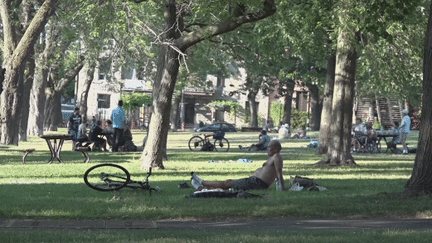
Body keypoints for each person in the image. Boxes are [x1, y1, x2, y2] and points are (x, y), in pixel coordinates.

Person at [191, 140, 286, 191]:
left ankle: (203, 183)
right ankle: (203, 188)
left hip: (257, 183)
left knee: (228, 183)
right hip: (255, 182)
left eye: (269, 147)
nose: (267, 149)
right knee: (229, 187)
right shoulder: (273, 157)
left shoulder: (277, 156)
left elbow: (279, 174)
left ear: (275, 148)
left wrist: (283, 189)